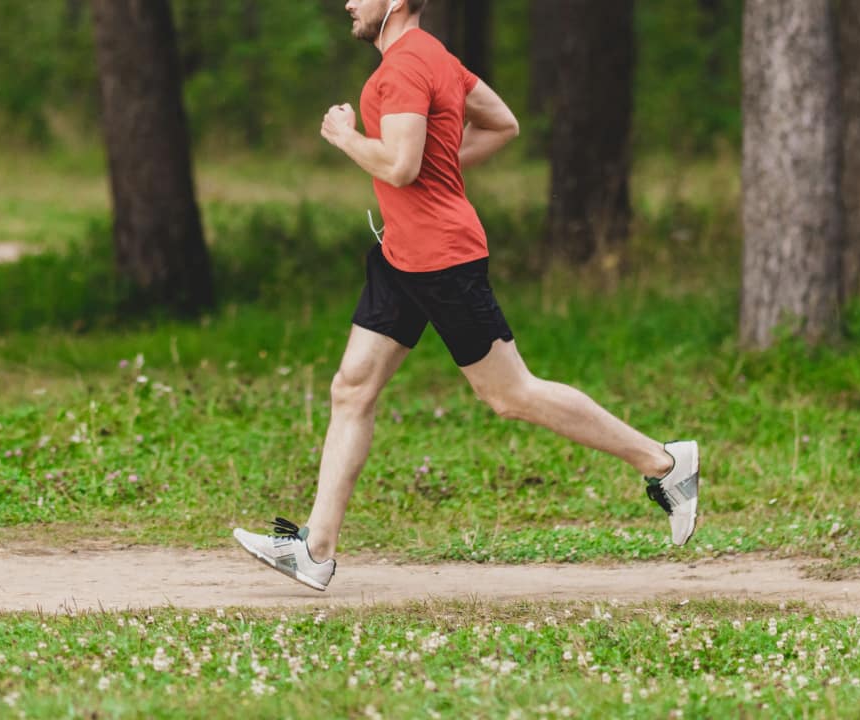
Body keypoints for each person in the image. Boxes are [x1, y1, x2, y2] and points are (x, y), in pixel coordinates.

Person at [233, 0, 700, 591]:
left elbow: (401, 167)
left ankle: (664, 462)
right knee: (351, 387)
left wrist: (345, 137)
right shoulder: (437, 59)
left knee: (510, 394)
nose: (347, 2)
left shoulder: (403, 67)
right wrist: (434, 166)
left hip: (440, 259)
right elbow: (503, 123)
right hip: (402, 254)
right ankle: (314, 550)